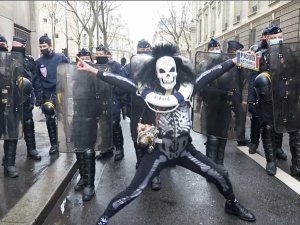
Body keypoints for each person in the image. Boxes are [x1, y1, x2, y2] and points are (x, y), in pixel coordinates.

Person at [76, 43, 256, 224]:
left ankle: (232, 204)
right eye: (163, 71)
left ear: (178, 71)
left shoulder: (188, 87)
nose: (168, 75)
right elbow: (119, 80)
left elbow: (213, 72)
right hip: (159, 153)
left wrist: (235, 60)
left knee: (220, 175)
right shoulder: (146, 91)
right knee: (134, 190)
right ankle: (103, 219)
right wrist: (92, 70)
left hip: (186, 150)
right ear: (156, 74)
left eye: (172, 70)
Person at [120, 39, 162, 190]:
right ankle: (143, 169)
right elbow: (122, 85)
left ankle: (155, 172)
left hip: (154, 106)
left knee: (153, 137)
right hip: (136, 106)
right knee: (137, 137)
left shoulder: (159, 64)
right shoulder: (129, 67)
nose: (144, 53)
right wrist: (125, 105)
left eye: (146, 51)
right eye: (141, 51)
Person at [266, 25, 300, 177]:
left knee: (295, 130)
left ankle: (297, 165)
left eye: (279, 37)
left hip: (289, 97)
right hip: (271, 100)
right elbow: (255, 79)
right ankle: (272, 161)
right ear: (267, 39)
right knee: (271, 129)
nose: (277, 40)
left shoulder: (289, 52)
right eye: (273, 38)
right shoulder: (263, 55)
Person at [0, 34, 31, 177]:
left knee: (11, 133)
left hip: (9, 103)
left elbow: (22, 79)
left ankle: (9, 164)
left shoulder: (13, 61)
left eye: (3, 44)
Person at [35, 34, 69, 155]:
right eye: (40, 46)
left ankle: (68, 141)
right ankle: (54, 144)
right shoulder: (38, 62)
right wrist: (39, 97)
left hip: (61, 92)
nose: (42, 48)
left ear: (50, 46)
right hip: (47, 94)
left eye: (44, 46)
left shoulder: (61, 58)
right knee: (50, 119)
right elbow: (37, 80)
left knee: (65, 118)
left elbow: (68, 74)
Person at [72, 48, 98, 201]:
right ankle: (83, 176)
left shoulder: (94, 74)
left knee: (88, 150)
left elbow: (102, 92)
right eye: (81, 59)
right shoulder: (73, 74)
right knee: (78, 148)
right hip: (76, 114)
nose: (84, 61)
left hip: (90, 115)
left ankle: (90, 184)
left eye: (87, 59)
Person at [11, 36, 42, 161]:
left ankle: (31, 149)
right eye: (15, 45)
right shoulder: (7, 58)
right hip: (11, 100)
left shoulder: (29, 60)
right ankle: (9, 157)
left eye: (20, 46)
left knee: (28, 123)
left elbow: (36, 80)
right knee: (11, 127)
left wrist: (38, 97)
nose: (17, 48)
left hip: (26, 98)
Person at [95, 44, 125, 161]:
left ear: (107, 54)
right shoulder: (95, 65)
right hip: (100, 99)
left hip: (113, 99)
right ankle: (106, 148)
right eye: (97, 55)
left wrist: (119, 97)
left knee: (114, 123)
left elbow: (121, 81)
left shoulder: (115, 66)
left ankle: (119, 148)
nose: (99, 57)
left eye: (101, 54)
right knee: (103, 124)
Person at [227, 40, 250, 146]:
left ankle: (240, 138)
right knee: (223, 116)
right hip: (225, 94)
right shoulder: (226, 61)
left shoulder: (240, 62)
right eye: (237, 50)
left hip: (236, 94)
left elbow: (244, 78)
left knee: (240, 115)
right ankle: (218, 135)